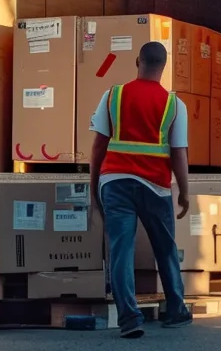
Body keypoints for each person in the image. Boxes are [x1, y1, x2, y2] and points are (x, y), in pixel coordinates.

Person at [88, 41, 193, 339]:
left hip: (115, 183)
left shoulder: (113, 95)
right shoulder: (175, 105)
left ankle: (129, 318)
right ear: (164, 66)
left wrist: (94, 185)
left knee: (121, 249)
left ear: (138, 61)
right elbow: (179, 153)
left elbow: (99, 145)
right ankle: (175, 310)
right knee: (165, 248)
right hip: (155, 187)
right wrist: (184, 192)